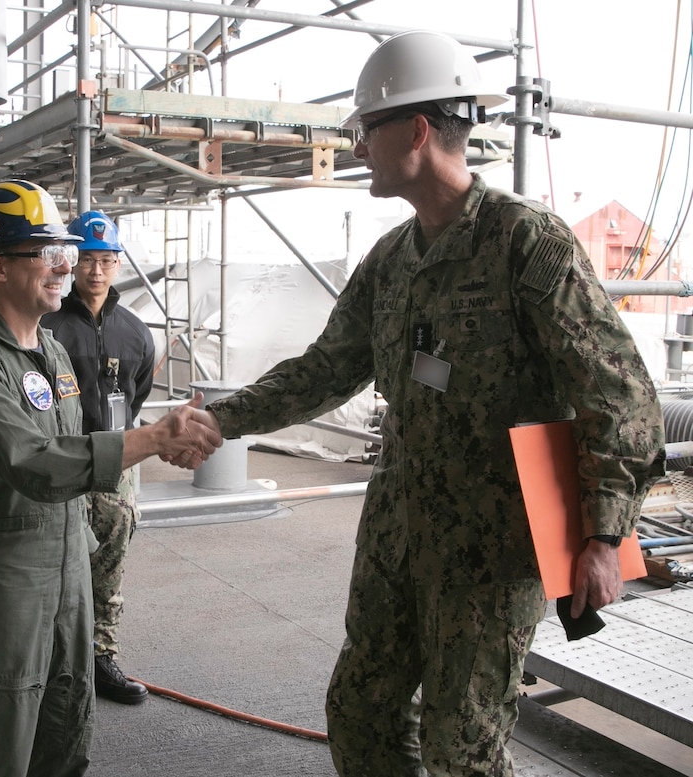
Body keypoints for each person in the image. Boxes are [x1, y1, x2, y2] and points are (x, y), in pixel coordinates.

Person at [168, 30, 665, 776]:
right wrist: (222, 418)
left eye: (369, 130)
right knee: (360, 716)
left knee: (460, 750)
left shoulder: (523, 243)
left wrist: (603, 533)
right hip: (397, 536)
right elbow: (325, 368)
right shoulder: (392, 260)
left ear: (418, 129)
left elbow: (620, 392)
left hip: (489, 554)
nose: (360, 148)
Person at [0, 179, 222, 777]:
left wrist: (150, 448)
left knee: (66, 718)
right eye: (44, 250)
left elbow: (80, 442)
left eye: (64, 249)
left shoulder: (52, 351)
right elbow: (34, 461)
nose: (65, 264)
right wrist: (152, 438)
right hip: (9, 572)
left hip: (70, 560)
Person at [40, 211, 157, 705]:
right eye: (86, 260)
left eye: (106, 261)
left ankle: (99, 655)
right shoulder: (47, 327)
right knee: (53, 562)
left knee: (108, 563)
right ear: (71, 263)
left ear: (117, 265)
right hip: (63, 462)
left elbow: (138, 397)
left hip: (116, 468)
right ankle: (48, 663)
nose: (95, 271)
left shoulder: (136, 333)